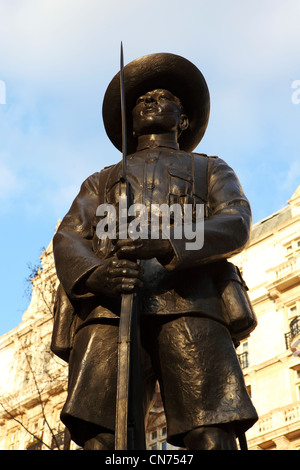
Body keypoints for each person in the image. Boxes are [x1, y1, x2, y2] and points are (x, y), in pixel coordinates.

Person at [51, 53, 258, 450]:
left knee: (211, 432)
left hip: (192, 301)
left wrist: (169, 243)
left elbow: (234, 221)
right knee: (102, 438)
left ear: (183, 120)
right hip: (109, 309)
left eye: (163, 96)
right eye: (142, 99)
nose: (149, 100)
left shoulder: (210, 169)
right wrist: (95, 273)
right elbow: (69, 236)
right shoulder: (99, 181)